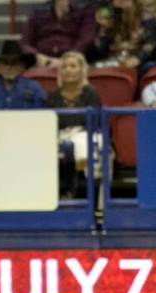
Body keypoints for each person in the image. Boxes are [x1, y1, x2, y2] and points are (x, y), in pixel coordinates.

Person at [46, 51, 101, 198]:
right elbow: (49, 123)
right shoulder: (53, 95)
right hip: (58, 136)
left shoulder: (90, 93)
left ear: (82, 70)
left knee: (75, 146)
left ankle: (77, 193)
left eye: (73, 66)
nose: (68, 70)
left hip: (86, 135)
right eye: (64, 66)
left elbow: (94, 122)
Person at [87, 0, 156, 71]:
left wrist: (138, 58)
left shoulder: (147, 19)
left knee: (149, 66)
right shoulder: (113, 14)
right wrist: (102, 30)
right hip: (114, 59)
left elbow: (150, 43)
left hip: (137, 60)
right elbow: (102, 48)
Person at [0, 40, 47, 109]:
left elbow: (43, 116)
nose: (9, 67)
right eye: (5, 63)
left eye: (14, 63)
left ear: (23, 66)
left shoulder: (34, 89)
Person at [20, 0, 96, 67]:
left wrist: (67, 59)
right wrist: (37, 56)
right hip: (42, 64)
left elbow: (86, 39)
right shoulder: (37, 11)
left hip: (74, 63)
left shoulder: (85, 9)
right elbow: (25, 43)